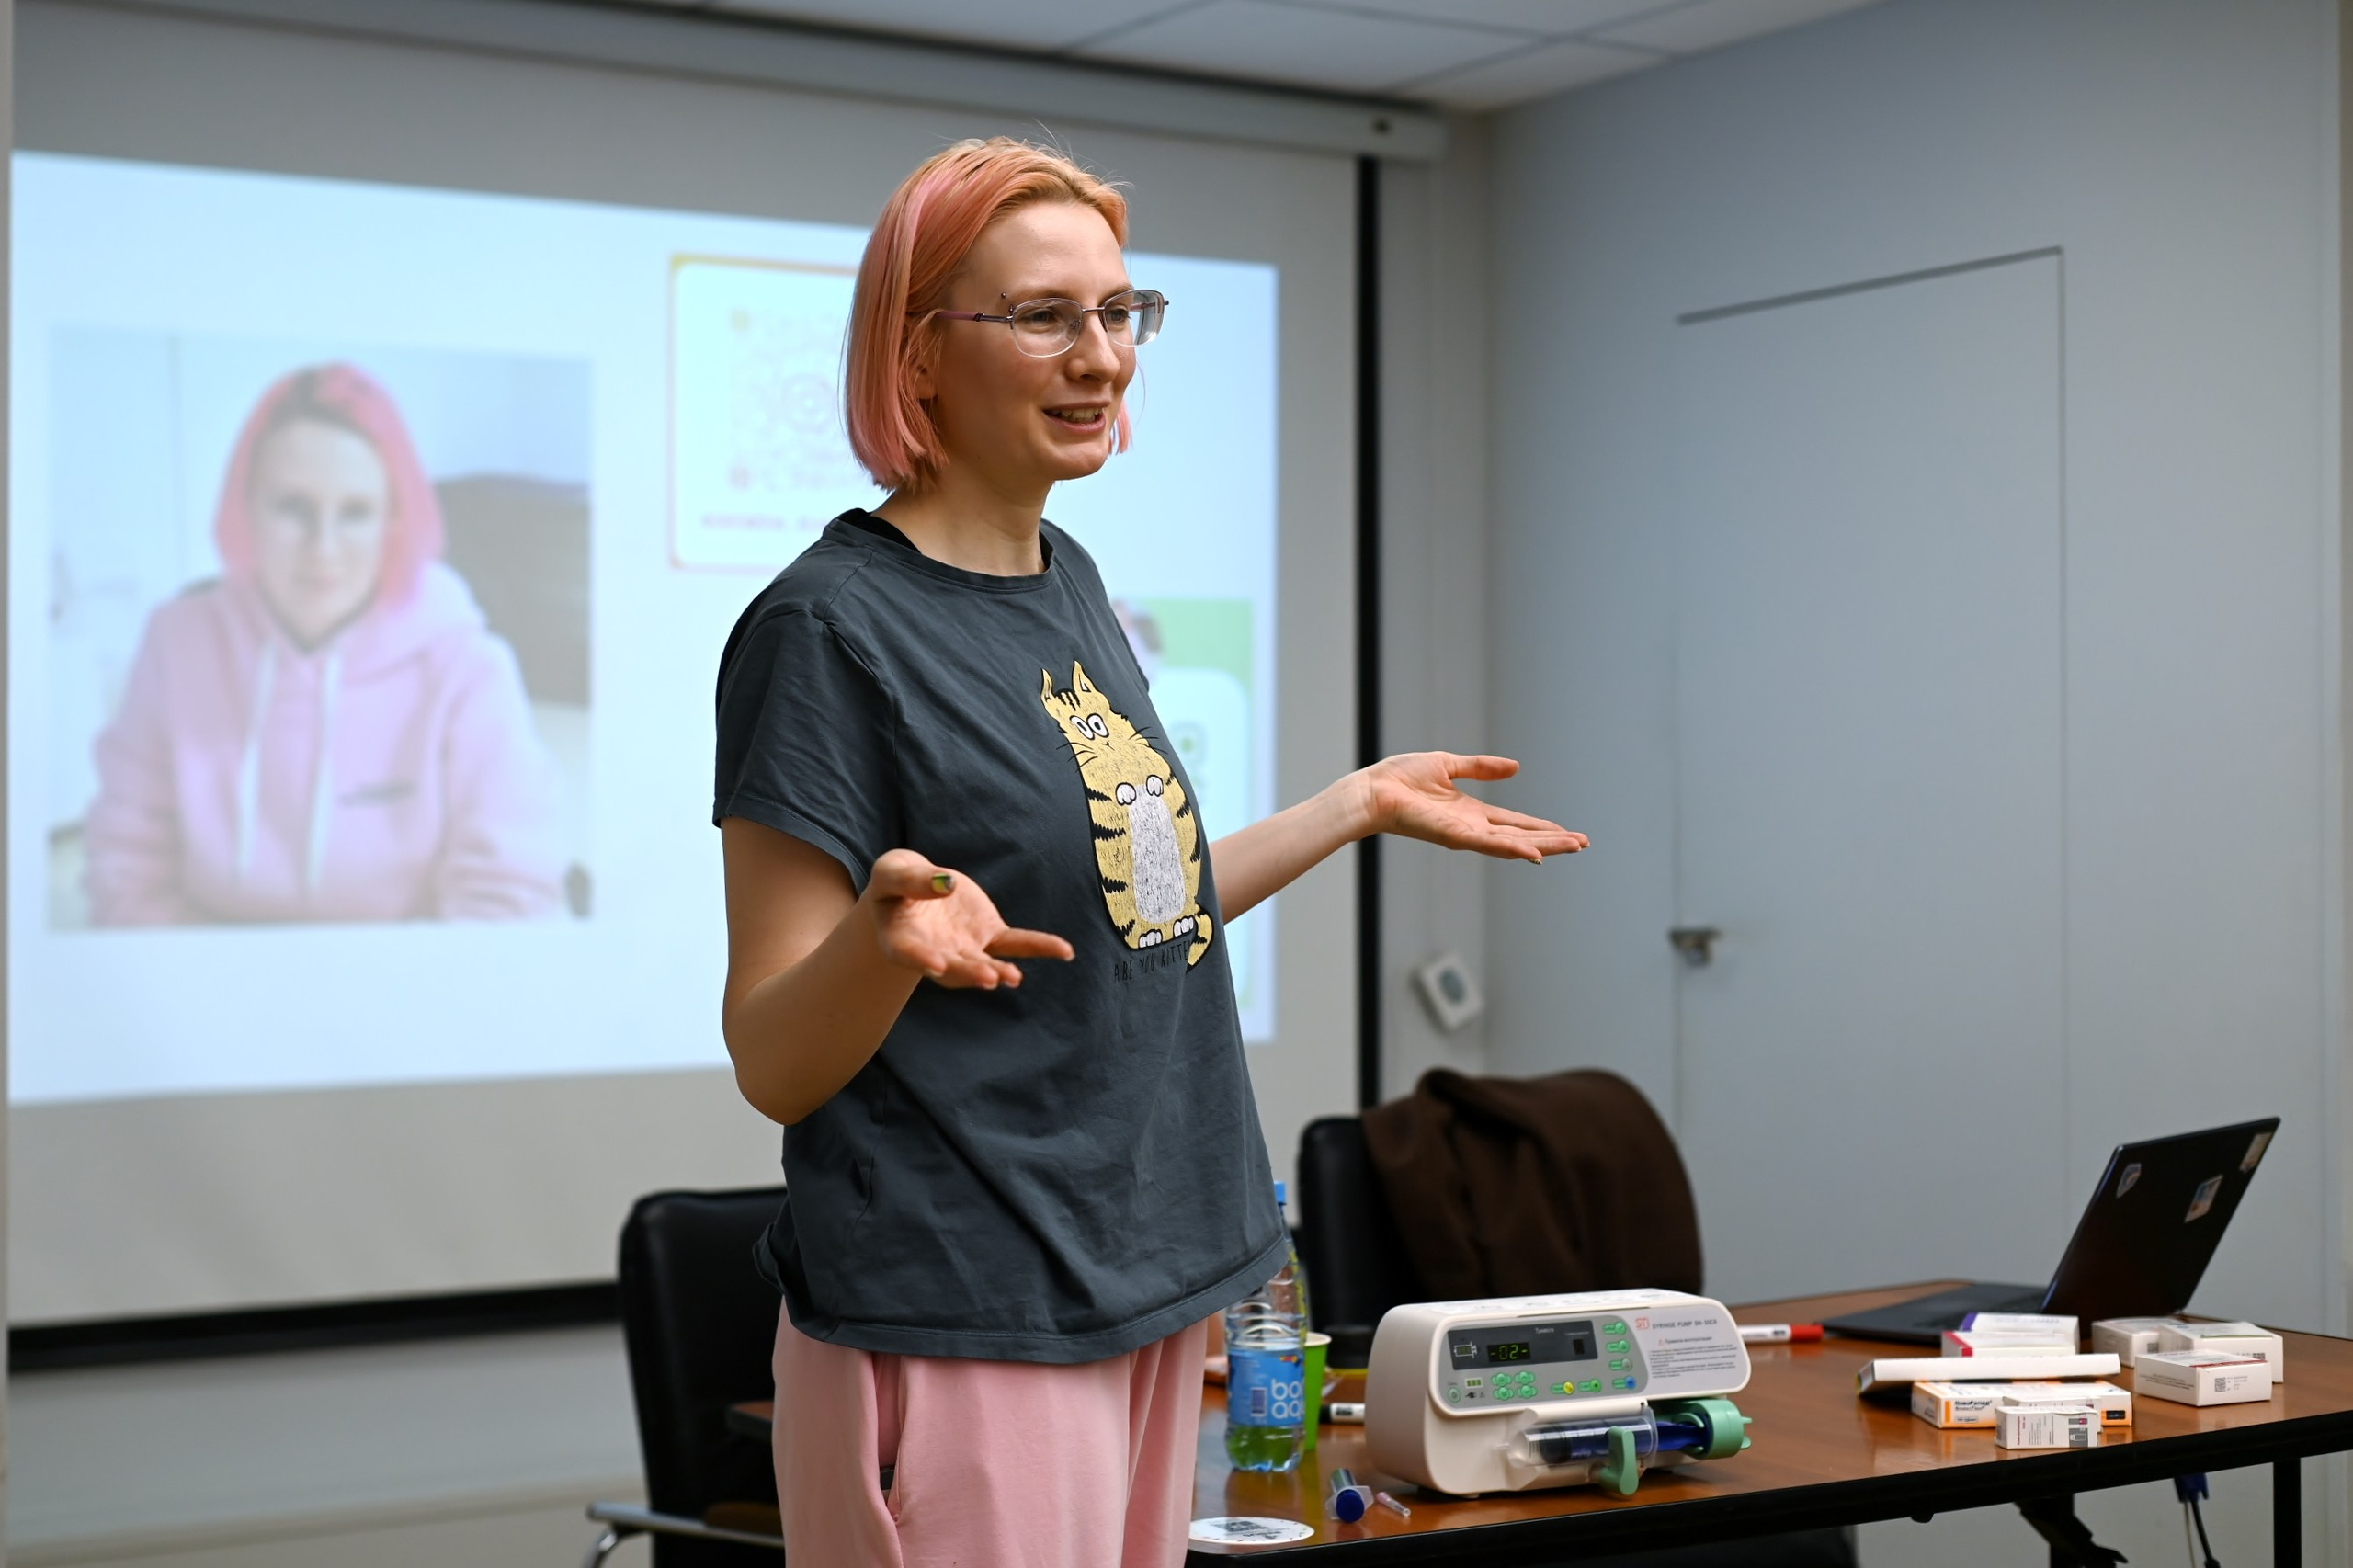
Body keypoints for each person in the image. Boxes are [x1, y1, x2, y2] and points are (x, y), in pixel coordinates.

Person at [712, 138, 1587, 1567]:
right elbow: (771, 1053)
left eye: (1122, 312)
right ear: (919, 355)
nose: (1102, 355)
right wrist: (879, 945)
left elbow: (1140, 916)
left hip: (1151, 1279)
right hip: (971, 1302)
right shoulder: (827, 629)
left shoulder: (1068, 583)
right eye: (1045, 315)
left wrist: (1350, 805)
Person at [84, 362, 566, 924]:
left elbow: (507, 897)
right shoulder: (175, 647)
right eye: (293, 509)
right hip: (211, 995)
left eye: (356, 513)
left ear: (394, 521)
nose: (324, 549)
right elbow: (125, 873)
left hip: (408, 995)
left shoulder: (467, 667)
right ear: (247, 511)